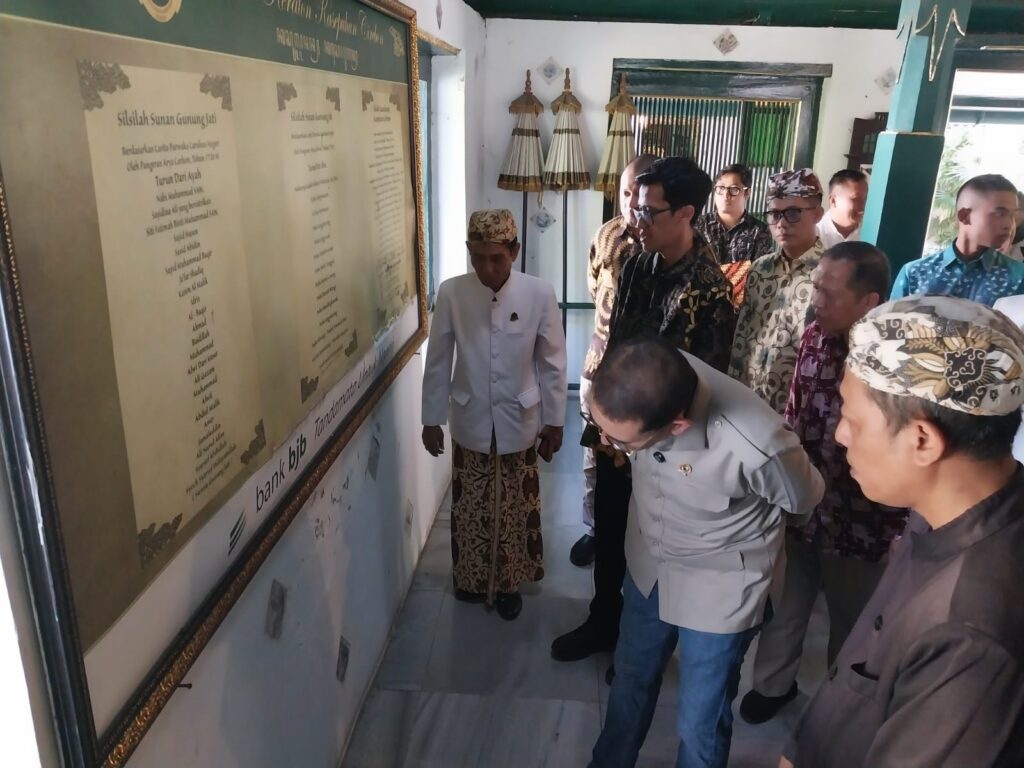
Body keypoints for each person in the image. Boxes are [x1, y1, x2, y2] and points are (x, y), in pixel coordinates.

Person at [781, 296, 1024, 767]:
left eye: (852, 420)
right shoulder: (941, 509)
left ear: (922, 441)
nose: (841, 435)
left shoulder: (970, 633)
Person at [585, 337, 824, 768]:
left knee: (701, 720)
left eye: (622, 442)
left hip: (720, 588)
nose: (605, 441)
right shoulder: (648, 371)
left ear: (677, 426)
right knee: (630, 679)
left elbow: (805, 498)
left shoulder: (756, 442)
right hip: (650, 564)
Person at [551, 156, 736, 665]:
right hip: (618, 436)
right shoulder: (636, 265)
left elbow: (706, 387)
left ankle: (640, 649)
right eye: (635, 207)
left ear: (686, 214)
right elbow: (617, 347)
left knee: (655, 550)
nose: (637, 219)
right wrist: (605, 421)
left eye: (650, 211)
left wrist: (665, 446)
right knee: (610, 530)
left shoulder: (710, 289)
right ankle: (602, 621)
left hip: (669, 450)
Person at [739, 242, 909, 724]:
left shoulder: (891, 359)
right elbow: (795, 409)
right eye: (816, 288)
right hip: (804, 499)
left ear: (869, 301)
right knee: (787, 599)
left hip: (861, 519)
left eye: (829, 293)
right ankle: (773, 685)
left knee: (851, 621)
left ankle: (839, 711)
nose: (816, 301)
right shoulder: (814, 335)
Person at [421, 209, 567, 621]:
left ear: (514, 251)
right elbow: (438, 359)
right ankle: (470, 579)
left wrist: (555, 421)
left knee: (514, 508)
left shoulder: (539, 293)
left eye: (496, 258)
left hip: (520, 417)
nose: (486, 268)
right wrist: (431, 417)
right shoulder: (453, 293)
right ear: (469, 251)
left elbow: (553, 362)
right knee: (471, 507)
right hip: (470, 417)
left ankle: (508, 583)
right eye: (478, 258)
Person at [573, 154, 657, 568]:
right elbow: (595, 287)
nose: (630, 203)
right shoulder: (606, 235)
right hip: (600, 362)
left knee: (642, 461)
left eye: (638, 195)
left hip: (645, 376)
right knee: (595, 455)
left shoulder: (663, 243)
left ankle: (637, 539)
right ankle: (594, 530)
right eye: (625, 193)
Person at [729, 168, 826, 414]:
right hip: (748, 403)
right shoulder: (760, 269)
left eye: (793, 213)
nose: (781, 223)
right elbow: (742, 337)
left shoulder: (829, 275)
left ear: (817, 213)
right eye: (774, 214)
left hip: (796, 409)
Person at [891, 174, 1024, 306]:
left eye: (1012, 216)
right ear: (964, 216)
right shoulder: (915, 273)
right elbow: (891, 319)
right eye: (1000, 214)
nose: (1009, 225)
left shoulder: (1018, 277)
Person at [694, 163, 774, 306]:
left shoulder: (759, 231)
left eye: (734, 189)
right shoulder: (698, 225)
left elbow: (761, 276)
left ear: (747, 193)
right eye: (721, 188)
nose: (726, 195)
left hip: (743, 308)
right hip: (700, 304)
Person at [816, 169, 868, 249]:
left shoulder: (871, 233)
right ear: (833, 201)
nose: (863, 205)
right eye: (856, 199)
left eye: (866, 199)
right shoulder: (813, 234)